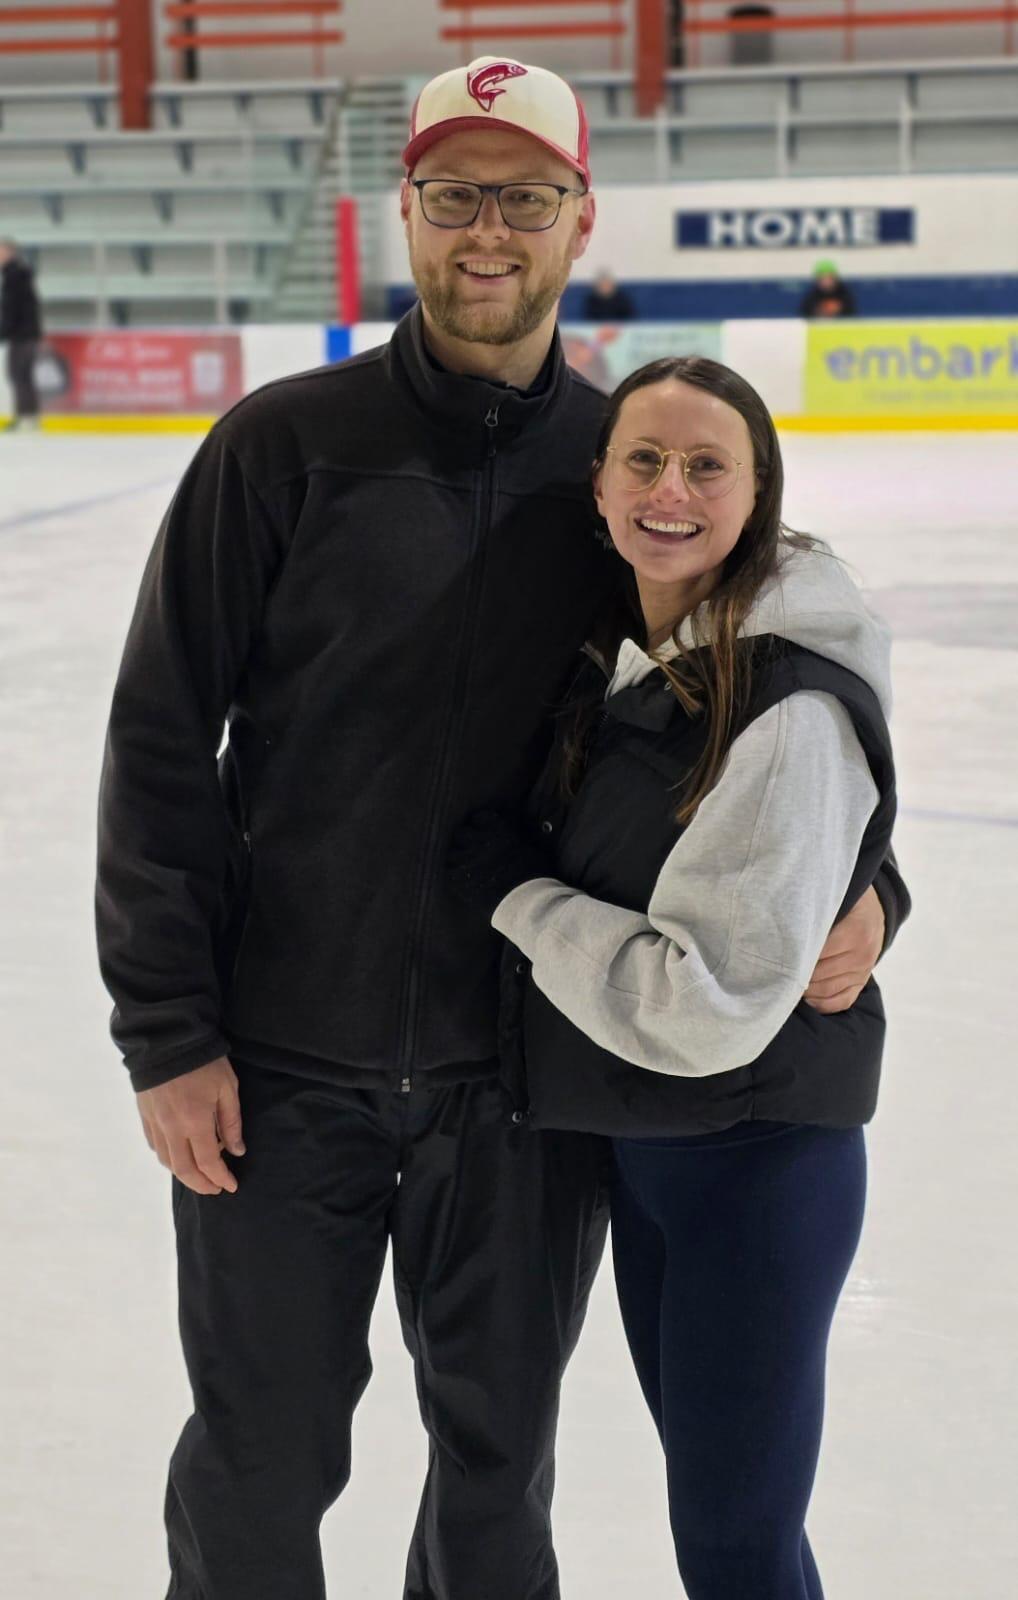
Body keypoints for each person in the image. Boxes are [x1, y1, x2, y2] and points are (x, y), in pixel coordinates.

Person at [95, 53, 904, 1600]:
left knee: (494, 1478)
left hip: (518, 1084)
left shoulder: (617, 477)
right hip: (277, 1073)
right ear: (403, 208)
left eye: (523, 197)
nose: (489, 230)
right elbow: (154, 743)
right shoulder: (281, 448)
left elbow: (769, 705)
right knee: (258, 1461)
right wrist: (167, 1033)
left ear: (575, 218)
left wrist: (876, 884)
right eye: (455, 194)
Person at [449, 355, 907, 1599]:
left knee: (735, 1544)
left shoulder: (781, 701)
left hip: (748, 1162)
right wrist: (873, 886)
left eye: (708, 464)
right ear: (595, 484)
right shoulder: (626, 649)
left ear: (758, 493)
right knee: (730, 1530)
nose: (670, 488)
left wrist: (515, 894)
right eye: (642, 458)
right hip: (655, 1152)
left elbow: (701, 1003)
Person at [0, 238, 43, 432]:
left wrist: (3, 331)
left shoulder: (15, 275)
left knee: (19, 375)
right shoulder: (18, 273)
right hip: (26, 333)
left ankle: (26, 417)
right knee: (22, 375)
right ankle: (29, 416)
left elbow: (13, 309)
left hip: (22, 335)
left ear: (10, 252)